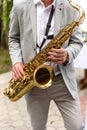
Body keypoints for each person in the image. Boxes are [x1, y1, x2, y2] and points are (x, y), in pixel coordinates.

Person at [8, 0, 84, 130]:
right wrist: (17, 61)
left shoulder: (70, 7)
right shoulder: (20, 6)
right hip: (33, 81)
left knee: (76, 126)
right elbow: (13, 39)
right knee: (38, 128)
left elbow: (77, 42)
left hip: (62, 81)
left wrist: (67, 54)